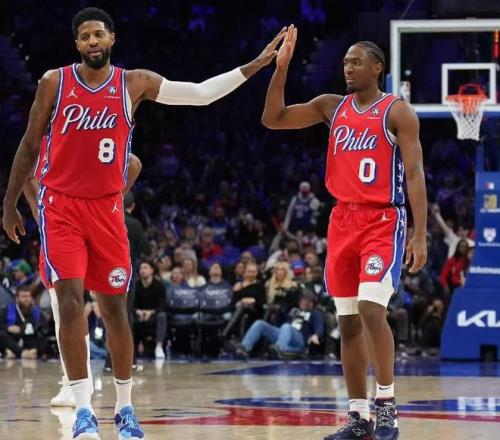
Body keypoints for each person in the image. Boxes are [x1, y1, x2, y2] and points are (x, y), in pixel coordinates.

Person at [2, 7, 287, 439]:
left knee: (115, 310)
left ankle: (124, 407)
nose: (92, 41)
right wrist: (9, 204)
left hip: (107, 209)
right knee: (70, 302)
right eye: (85, 36)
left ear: (112, 39)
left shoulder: (134, 83)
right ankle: (83, 410)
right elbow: (28, 144)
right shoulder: (54, 82)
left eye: (99, 34)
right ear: (76, 43)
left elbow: (200, 94)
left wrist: (256, 64)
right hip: (61, 207)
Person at [262, 27, 427, 440]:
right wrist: (281, 68)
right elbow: (273, 119)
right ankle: (358, 418)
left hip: (382, 219)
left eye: (356, 62)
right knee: (348, 321)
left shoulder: (397, 112)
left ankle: (386, 405)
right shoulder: (331, 106)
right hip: (342, 221)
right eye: (345, 62)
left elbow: (415, 175)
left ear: (377, 68)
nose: (348, 68)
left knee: (372, 309)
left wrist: (420, 234)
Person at [22, 136, 142, 406]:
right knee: (64, 309)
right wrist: (39, 211)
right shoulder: (43, 142)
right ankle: (73, 382)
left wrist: (111, 198)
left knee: (103, 309)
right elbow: (26, 176)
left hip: (97, 226)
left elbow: (133, 163)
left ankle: (94, 391)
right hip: (60, 228)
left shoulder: (84, 134)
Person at [232, 290, 324, 360]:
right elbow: (278, 321)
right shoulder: (292, 309)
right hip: (283, 333)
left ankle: (279, 348)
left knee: (286, 327)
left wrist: (316, 335)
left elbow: (319, 326)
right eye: (304, 300)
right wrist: (279, 309)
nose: (306, 303)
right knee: (260, 323)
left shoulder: (315, 312)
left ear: (313, 302)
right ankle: (244, 347)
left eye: (309, 301)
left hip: (300, 338)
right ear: (300, 300)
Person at [0, 285, 49, 359]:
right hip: (13, 339)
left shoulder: (36, 312)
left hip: (30, 340)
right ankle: (22, 353)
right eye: (23, 297)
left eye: (28, 296)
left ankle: (12, 352)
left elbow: (44, 327)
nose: (27, 299)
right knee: (2, 335)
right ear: (17, 298)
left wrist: (37, 328)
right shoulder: (7, 310)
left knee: (44, 340)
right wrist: (8, 328)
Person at [133, 261, 167, 359]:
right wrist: (138, 311)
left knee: (162, 316)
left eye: (145, 268)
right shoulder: (135, 285)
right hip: (139, 313)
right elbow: (131, 303)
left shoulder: (159, 285)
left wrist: (151, 312)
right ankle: (132, 347)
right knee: (128, 316)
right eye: (141, 268)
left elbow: (162, 305)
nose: (143, 270)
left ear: (152, 270)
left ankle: (159, 346)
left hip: (154, 313)